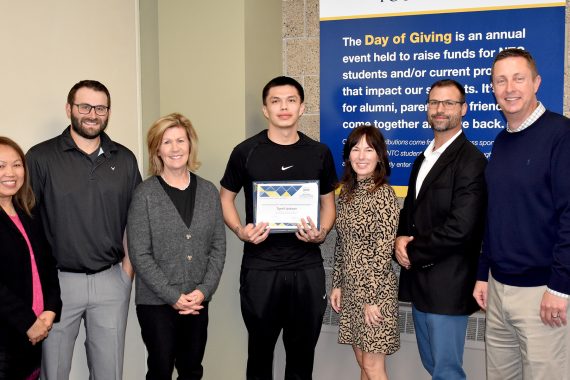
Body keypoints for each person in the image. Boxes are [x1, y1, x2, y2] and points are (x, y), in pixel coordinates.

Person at [220, 76, 338, 379]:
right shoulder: (246, 151)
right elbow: (225, 198)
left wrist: (322, 232)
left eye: (290, 101)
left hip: (306, 268)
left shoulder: (319, 153)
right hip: (261, 269)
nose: (283, 107)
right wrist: (240, 230)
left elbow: (329, 205)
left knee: (301, 357)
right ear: (265, 109)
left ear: (302, 108)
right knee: (259, 355)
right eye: (276, 101)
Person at [26, 80, 142, 380]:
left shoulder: (125, 159)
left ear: (108, 112)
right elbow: (28, 221)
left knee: (109, 373)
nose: (93, 114)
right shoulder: (40, 158)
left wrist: (126, 272)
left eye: (100, 108)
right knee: (55, 372)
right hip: (58, 283)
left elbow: (137, 220)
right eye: (85, 106)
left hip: (111, 280)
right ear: (69, 109)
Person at [473, 48, 570, 380]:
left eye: (518, 78)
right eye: (500, 80)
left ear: (536, 83)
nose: (509, 88)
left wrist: (560, 287)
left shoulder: (561, 135)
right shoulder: (502, 142)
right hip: (499, 290)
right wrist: (483, 273)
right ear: (493, 88)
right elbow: (494, 213)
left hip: (543, 294)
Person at [395, 79, 487, 380]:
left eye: (449, 103)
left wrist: (413, 250)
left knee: (447, 371)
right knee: (433, 365)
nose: (440, 109)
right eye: (434, 102)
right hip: (421, 282)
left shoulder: (471, 160)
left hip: (448, 284)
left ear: (464, 109)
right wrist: (399, 239)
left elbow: (462, 227)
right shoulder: (423, 157)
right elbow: (411, 209)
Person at [127, 113, 226, 379]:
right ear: (156, 149)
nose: (175, 148)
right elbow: (139, 254)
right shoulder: (144, 194)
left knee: (192, 370)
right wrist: (173, 296)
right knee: (160, 370)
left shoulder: (208, 191)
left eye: (180, 140)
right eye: (167, 142)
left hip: (197, 301)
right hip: (155, 304)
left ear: (190, 145)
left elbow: (218, 247)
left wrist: (203, 292)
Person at [330, 125, 400, 380]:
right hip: (351, 290)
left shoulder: (383, 195)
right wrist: (338, 284)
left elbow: (383, 253)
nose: (361, 155)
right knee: (362, 362)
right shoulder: (347, 193)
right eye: (355, 149)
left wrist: (371, 298)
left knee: (373, 366)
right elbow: (342, 243)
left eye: (369, 149)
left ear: (379, 156)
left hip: (375, 294)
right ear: (348, 155)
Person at [0, 137, 61, 380]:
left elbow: (48, 264)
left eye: (17, 164)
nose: (10, 173)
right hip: (7, 336)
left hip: (34, 332)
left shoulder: (29, 211)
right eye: (1, 166)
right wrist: (28, 321)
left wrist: (50, 309)